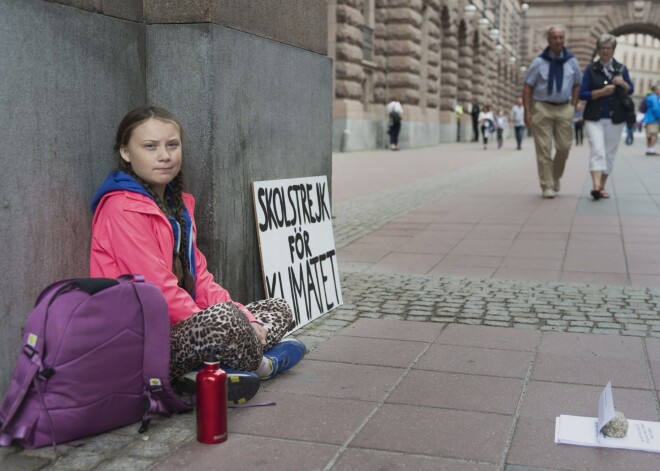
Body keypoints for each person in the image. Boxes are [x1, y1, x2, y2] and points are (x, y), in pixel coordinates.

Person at [90, 106, 306, 403]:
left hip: (182, 329)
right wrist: (228, 324)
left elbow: (201, 279)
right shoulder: (123, 209)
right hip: (140, 344)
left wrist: (245, 319)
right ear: (126, 153)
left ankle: (205, 371)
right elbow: (158, 291)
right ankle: (264, 365)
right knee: (224, 320)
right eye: (150, 147)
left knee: (278, 306)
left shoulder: (177, 207)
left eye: (172, 145)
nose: (164, 155)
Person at [523, 25, 582, 198]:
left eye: (560, 38)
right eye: (554, 38)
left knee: (564, 147)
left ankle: (555, 176)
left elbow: (577, 84)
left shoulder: (572, 61)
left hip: (564, 108)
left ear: (564, 40)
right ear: (548, 40)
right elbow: (527, 87)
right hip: (542, 107)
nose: (558, 41)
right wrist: (527, 111)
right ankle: (547, 185)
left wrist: (573, 105)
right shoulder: (539, 62)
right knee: (543, 149)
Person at [579, 34, 634, 200]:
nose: (605, 51)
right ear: (598, 49)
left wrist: (622, 83)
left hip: (615, 118)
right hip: (594, 117)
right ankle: (595, 186)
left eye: (608, 48)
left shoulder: (621, 69)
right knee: (598, 150)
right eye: (602, 48)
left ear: (613, 50)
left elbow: (630, 89)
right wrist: (600, 93)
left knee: (609, 153)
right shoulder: (591, 69)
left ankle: (602, 185)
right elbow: (582, 93)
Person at [642, 85, 660, 156]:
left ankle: (649, 149)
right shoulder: (654, 98)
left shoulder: (650, 97)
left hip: (648, 118)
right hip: (653, 119)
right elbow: (656, 109)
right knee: (653, 134)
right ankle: (651, 149)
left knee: (649, 135)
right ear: (656, 90)